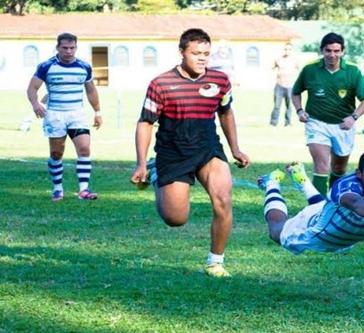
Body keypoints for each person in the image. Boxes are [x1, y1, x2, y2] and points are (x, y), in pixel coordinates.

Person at [130, 28, 250, 278]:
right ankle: (156, 174)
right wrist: (141, 163)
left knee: (224, 200)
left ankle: (215, 262)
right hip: (172, 152)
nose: (202, 58)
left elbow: (226, 112)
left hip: (208, 148)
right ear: (182, 52)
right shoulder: (161, 84)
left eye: (206, 53)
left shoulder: (220, 80)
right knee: (176, 218)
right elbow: (145, 122)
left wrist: (235, 148)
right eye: (196, 53)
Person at [257, 150, 364, 256]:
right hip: (315, 230)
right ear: (359, 173)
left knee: (325, 207)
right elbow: (354, 202)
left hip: (331, 217)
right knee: (276, 230)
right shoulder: (347, 184)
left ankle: (301, 178)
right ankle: (271, 182)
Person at [292, 32, 364, 196]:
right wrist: (300, 110)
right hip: (317, 123)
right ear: (322, 51)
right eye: (328, 51)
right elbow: (295, 92)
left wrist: (353, 117)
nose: (332, 55)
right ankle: (318, 208)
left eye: (336, 51)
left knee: (339, 168)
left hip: (343, 126)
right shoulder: (310, 69)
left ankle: (333, 198)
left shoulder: (353, 71)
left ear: (343, 51)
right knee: (321, 165)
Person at [26, 32, 102, 201]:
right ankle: (57, 188)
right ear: (58, 47)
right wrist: (36, 104)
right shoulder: (46, 66)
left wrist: (97, 112)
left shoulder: (84, 67)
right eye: (65, 48)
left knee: (84, 149)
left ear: (76, 47)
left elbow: (91, 90)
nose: (69, 51)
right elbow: (32, 88)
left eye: (72, 48)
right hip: (55, 115)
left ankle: (83, 190)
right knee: (56, 153)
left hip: (77, 114)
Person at [269, 42, 301, 127]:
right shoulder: (279, 59)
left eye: (289, 49)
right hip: (279, 86)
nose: (287, 51)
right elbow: (271, 68)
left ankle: (288, 123)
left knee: (289, 106)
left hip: (290, 86)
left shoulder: (295, 60)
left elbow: (300, 71)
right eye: (286, 49)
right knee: (276, 106)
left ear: (292, 50)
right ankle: (273, 123)